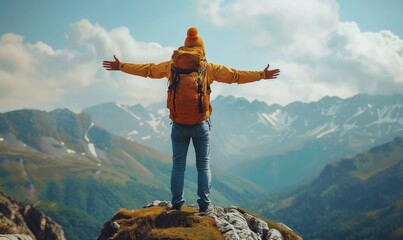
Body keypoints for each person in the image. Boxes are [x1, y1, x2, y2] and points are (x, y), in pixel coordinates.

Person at [103, 27, 280, 213]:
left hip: (178, 125)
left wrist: (121, 66)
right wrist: (262, 75)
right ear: (201, 49)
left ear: (185, 47)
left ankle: (177, 203)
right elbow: (236, 76)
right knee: (203, 165)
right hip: (200, 125)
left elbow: (148, 70)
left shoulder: (171, 66)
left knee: (178, 165)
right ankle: (204, 205)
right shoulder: (207, 67)